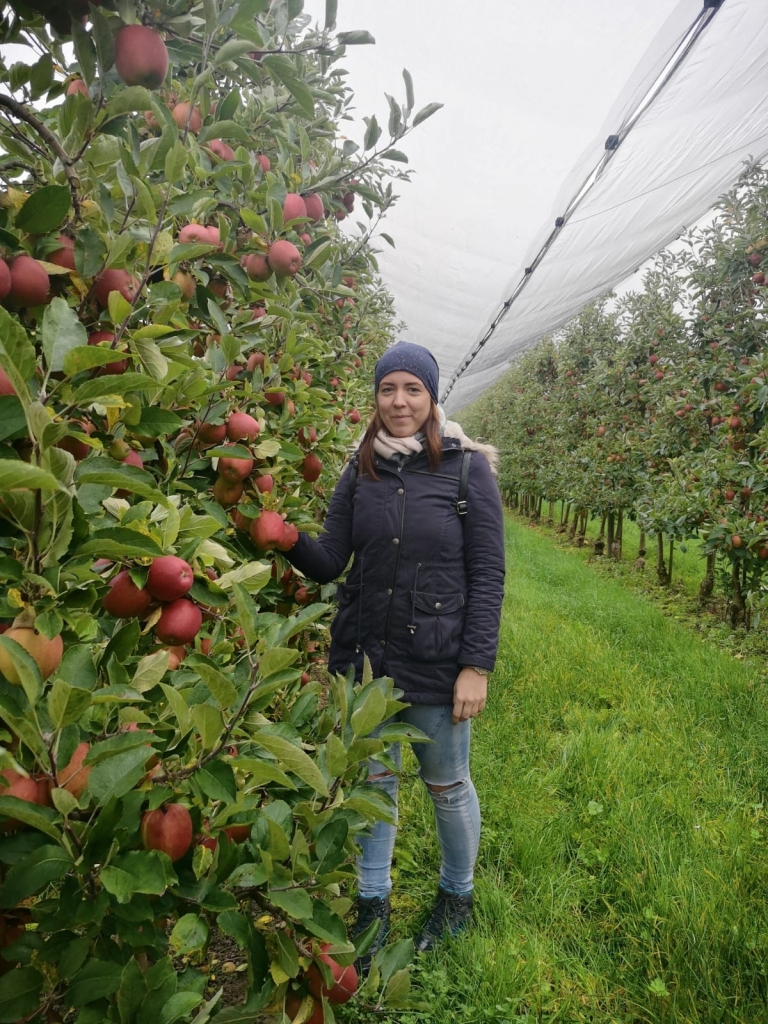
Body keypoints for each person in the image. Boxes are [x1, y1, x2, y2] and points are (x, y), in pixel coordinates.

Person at [285, 341, 506, 961]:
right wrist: (285, 537)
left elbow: (488, 574)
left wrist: (475, 665)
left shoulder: (467, 469)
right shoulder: (362, 469)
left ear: (432, 397)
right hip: (366, 657)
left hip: (438, 659)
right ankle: (371, 899)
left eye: (412, 389)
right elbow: (331, 560)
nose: (399, 402)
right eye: (388, 390)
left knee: (446, 785)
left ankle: (456, 896)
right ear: (375, 397)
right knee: (374, 781)